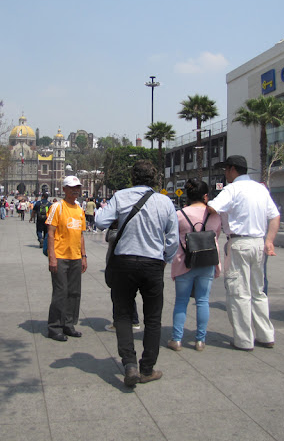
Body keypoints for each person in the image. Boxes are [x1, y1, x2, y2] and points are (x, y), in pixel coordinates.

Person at [95, 160, 178, 387]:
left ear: (132, 178)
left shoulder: (120, 196)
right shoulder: (165, 202)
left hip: (124, 262)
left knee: (122, 315)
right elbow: (173, 239)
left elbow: (101, 221)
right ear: (154, 180)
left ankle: (129, 365)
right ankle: (147, 368)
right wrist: (165, 259)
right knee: (153, 318)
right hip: (153, 263)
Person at [207, 155, 280, 351]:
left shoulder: (232, 189)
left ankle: (244, 339)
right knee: (258, 291)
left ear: (232, 169)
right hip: (258, 243)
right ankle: (266, 335)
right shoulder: (260, 189)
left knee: (239, 292)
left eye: (226, 169)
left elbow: (213, 208)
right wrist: (269, 241)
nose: (225, 173)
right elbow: (275, 216)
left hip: (239, 242)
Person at [168, 179, 221, 352]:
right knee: (203, 300)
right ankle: (200, 340)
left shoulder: (179, 215)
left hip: (184, 261)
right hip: (206, 261)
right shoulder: (214, 214)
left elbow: (173, 239)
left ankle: (177, 339)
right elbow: (216, 235)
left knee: (181, 301)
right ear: (206, 196)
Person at [46, 176, 87, 342]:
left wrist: (83, 256)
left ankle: (69, 324)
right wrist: (52, 258)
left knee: (74, 293)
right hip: (61, 256)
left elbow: (81, 235)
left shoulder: (79, 209)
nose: (75, 190)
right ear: (64, 189)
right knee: (60, 292)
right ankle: (54, 327)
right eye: (71, 187)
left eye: (77, 187)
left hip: (76, 257)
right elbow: (50, 233)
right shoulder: (57, 207)